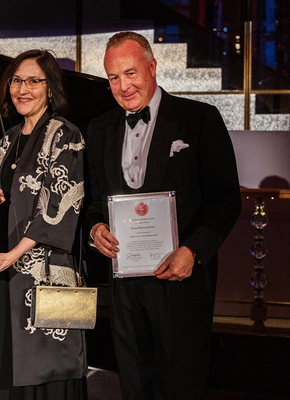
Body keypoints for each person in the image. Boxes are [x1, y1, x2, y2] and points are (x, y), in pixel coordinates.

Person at [85, 31, 242, 399]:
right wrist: (95, 228)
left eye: (130, 73)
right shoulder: (99, 129)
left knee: (180, 386)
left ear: (152, 67)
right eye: (113, 77)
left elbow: (225, 200)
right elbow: (94, 199)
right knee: (133, 384)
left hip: (181, 283)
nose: (123, 86)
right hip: (124, 288)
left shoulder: (199, 119)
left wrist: (193, 252)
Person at [0, 49, 87, 399]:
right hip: (5, 277)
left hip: (48, 279)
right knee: (1, 373)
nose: (23, 88)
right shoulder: (7, 140)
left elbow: (60, 207)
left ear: (51, 88)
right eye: (17, 80)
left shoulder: (66, 134)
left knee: (49, 374)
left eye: (34, 81)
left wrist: (12, 254)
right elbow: (14, 197)